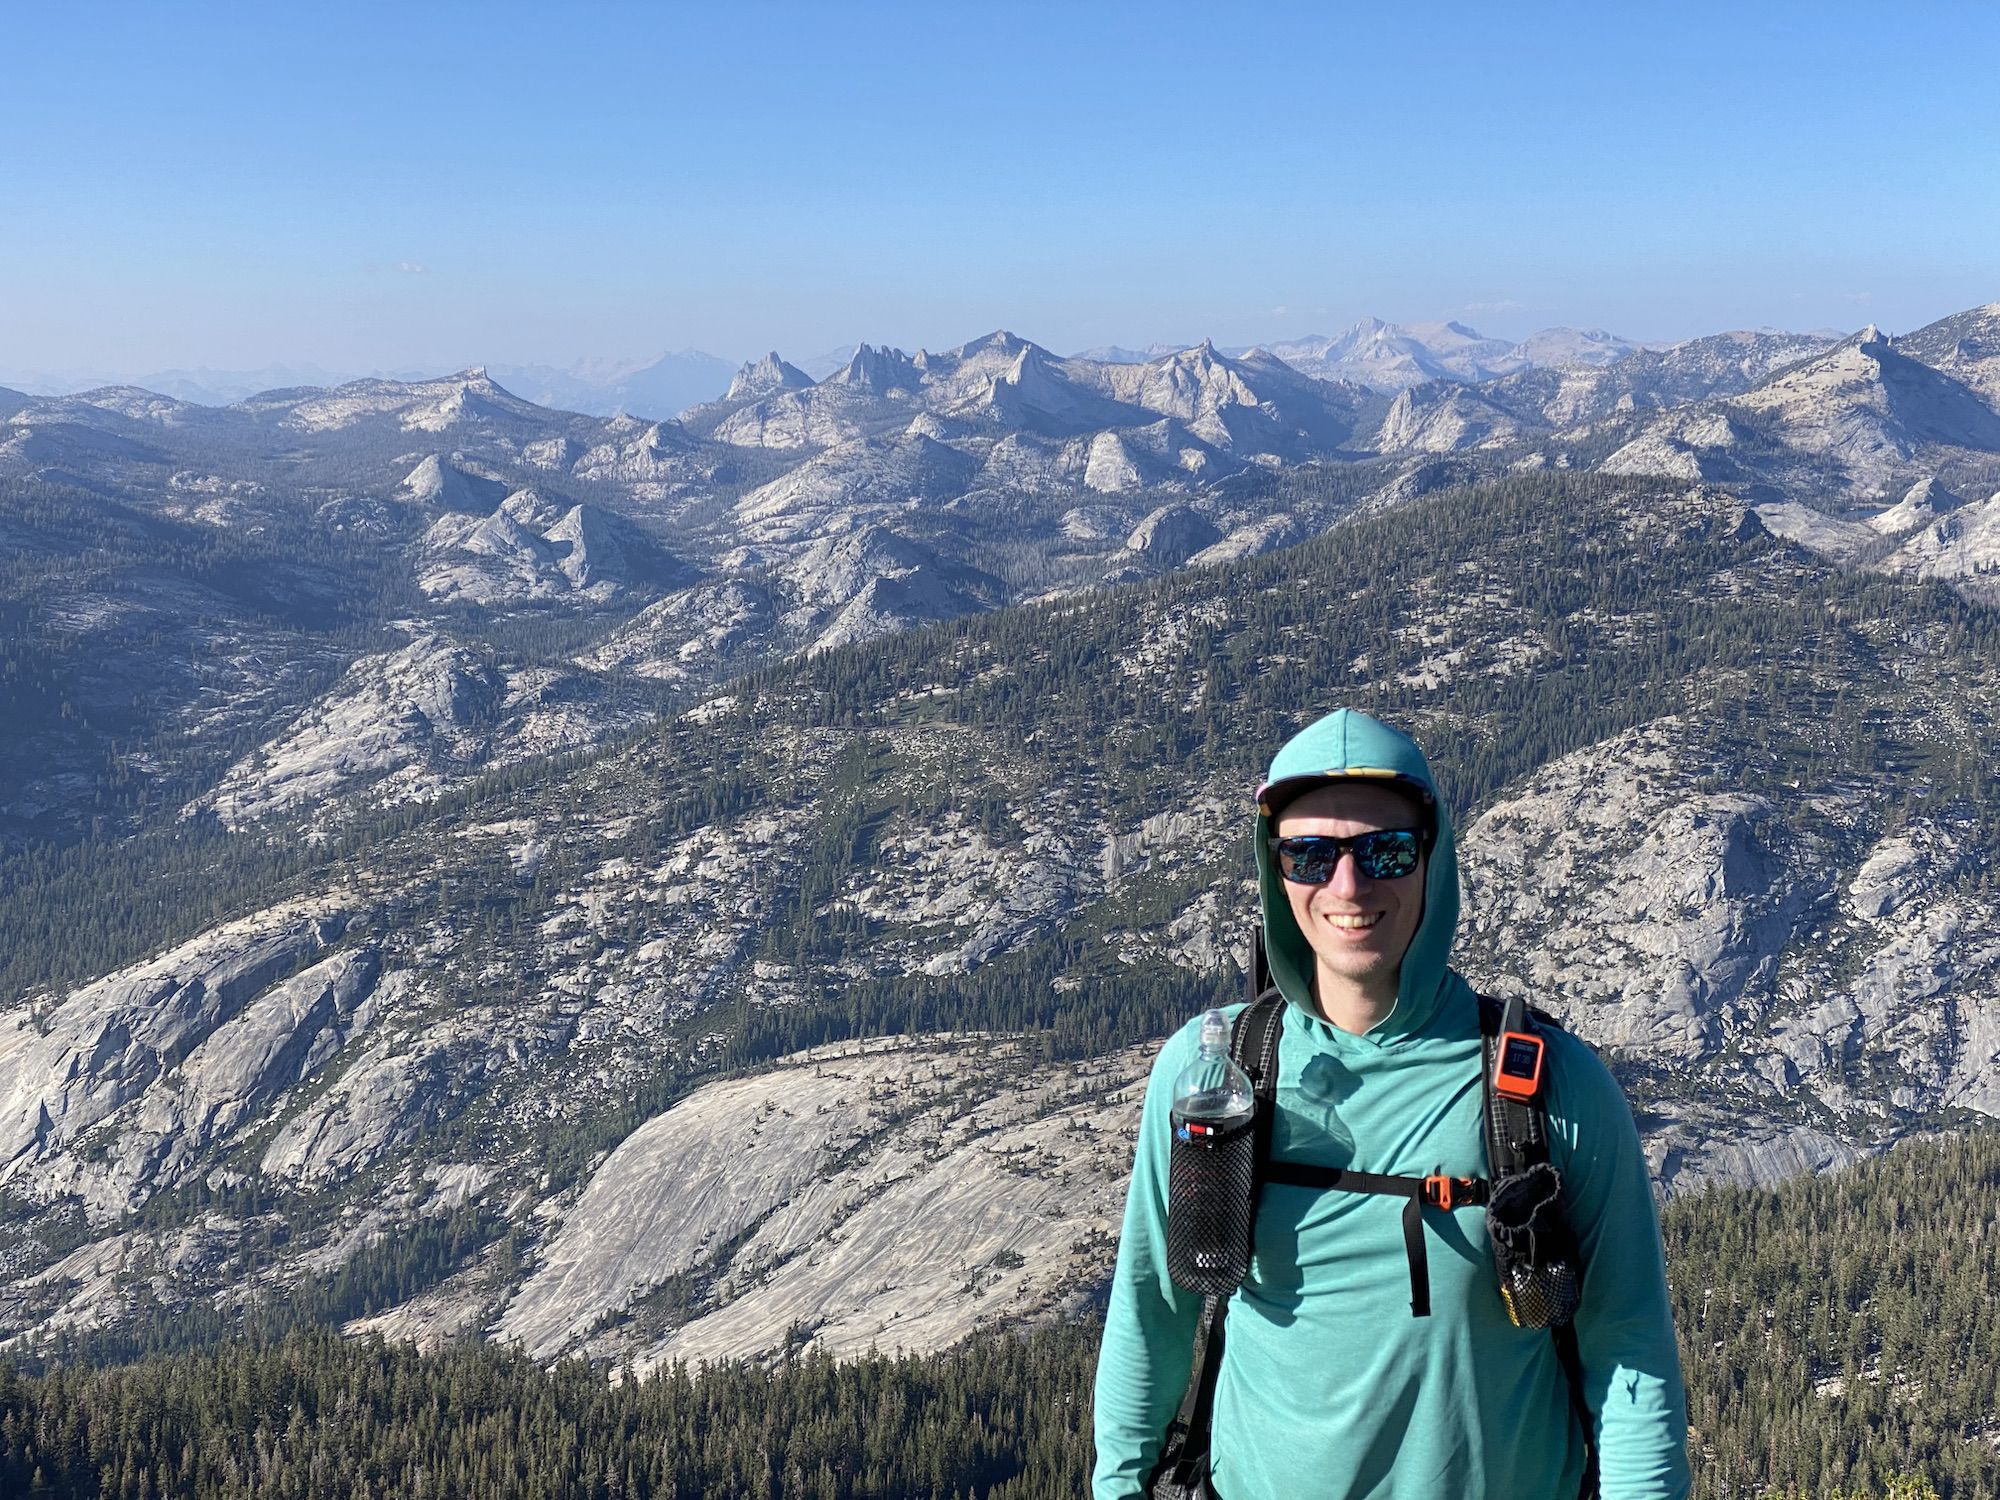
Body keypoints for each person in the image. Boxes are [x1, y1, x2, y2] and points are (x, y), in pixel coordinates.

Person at [1092, 707, 1690, 1499]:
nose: (1349, 885)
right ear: (1276, 873)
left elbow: (1629, 1348)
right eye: (1309, 855)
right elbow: (1152, 1314)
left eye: (1386, 850)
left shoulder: (1550, 1090)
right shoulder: (1211, 1077)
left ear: (1432, 862)